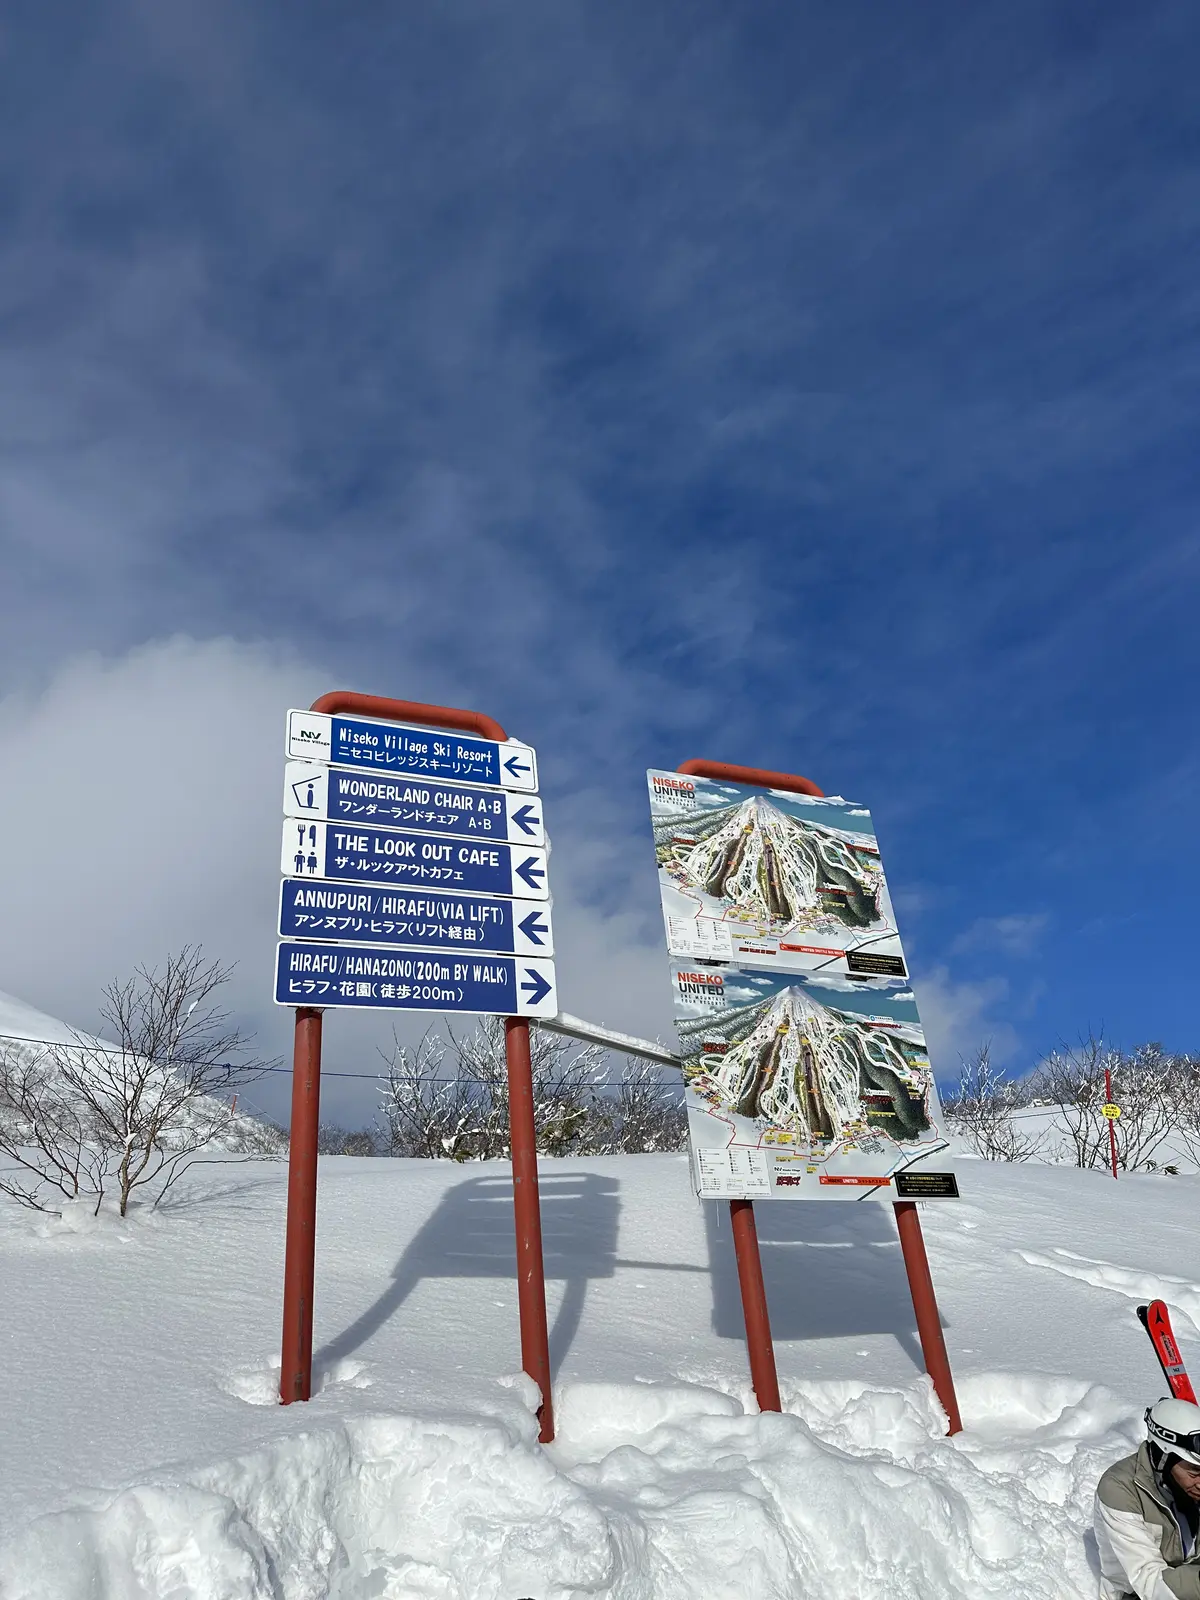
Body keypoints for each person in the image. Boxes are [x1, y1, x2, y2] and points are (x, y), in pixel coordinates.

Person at [1096, 1399, 1200, 1598]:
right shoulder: (1120, 1490)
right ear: (1164, 1458)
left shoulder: (1188, 1485)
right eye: (1194, 1471)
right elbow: (1148, 1581)